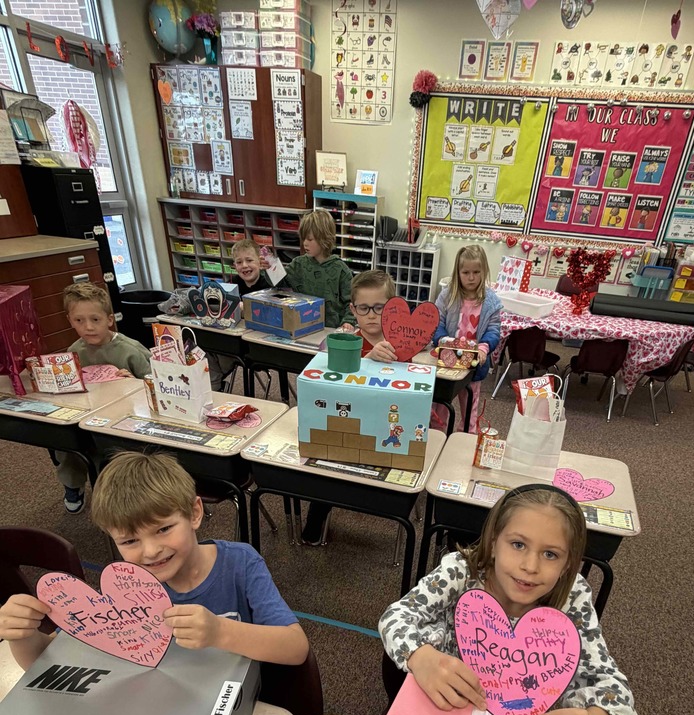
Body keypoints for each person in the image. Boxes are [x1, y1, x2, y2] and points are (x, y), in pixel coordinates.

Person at [379, 484, 638, 715]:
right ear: (493, 543)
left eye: (550, 554)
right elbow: (395, 617)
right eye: (518, 545)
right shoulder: (461, 571)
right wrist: (421, 656)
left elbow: (615, 689)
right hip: (448, 710)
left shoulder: (572, 597)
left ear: (567, 565)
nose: (530, 566)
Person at [0, 451, 309, 672]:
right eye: (129, 541)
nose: (150, 552)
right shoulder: (123, 586)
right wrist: (22, 636)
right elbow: (48, 663)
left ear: (194, 513)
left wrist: (219, 632)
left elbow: (296, 648)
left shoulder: (240, 563)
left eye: (163, 529)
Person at [300, 269, 397, 546]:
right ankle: (316, 519)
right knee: (326, 465)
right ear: (353, 310)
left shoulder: (402, 343)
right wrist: (367, 358)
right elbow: (325, 374)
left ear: (392, 308)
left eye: (379, 307)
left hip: (385, 427)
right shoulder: (345, 342)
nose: (371, 315)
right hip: (347, 423)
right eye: (364, 308)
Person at [55, 283, 150, 515]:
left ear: (109, 319)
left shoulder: (131, 351)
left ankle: (116, 491)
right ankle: (73, 483)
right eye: (79, 320)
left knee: (111, 456)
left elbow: (157, 385)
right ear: (70, 320)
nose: (88, 327)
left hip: (125, 422)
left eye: (95, 320)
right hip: (87, 417)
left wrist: (134, 383)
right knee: (65, 443)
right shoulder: (74, 351)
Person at [430, 244, 502, 434]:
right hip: (447, 363)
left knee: (470, 408)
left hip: (473, 365)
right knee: (440, 408)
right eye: (466, 272)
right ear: (458, 272)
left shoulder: (491, 301)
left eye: (476, 272)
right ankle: (437, 435)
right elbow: (436, 322)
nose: (471, 278)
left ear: (484, 271)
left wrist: (484, 348)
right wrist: (443, 341)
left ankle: (466, 437)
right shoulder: (447, 295)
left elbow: (494, 330)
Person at [263, 209, 355, 329]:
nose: (305, 243)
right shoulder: (298, 264)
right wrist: (271, 267)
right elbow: (280, 285)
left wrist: (348, 322)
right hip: (302, 326)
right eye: (303, 239)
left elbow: (352, 301)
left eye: (310, 239)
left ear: (325, 239)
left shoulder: (340, 269)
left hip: (330, 329)